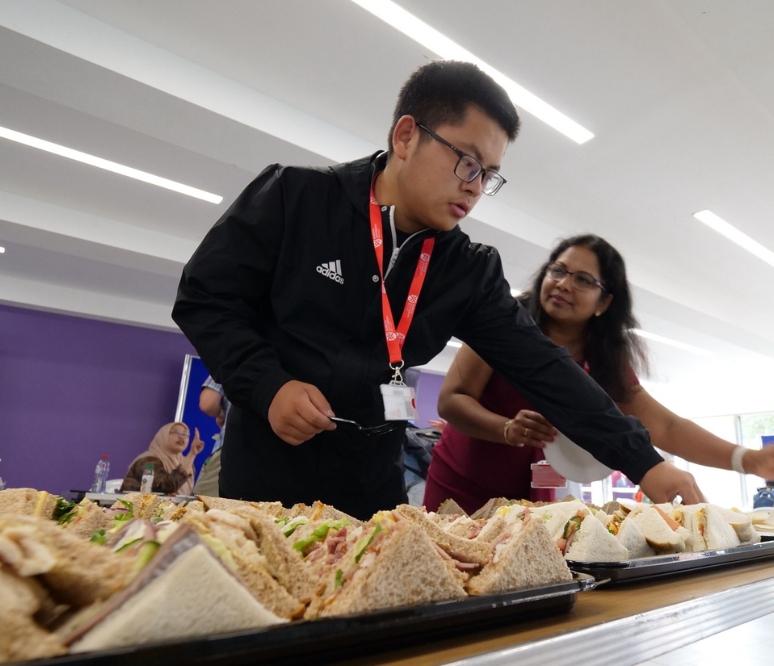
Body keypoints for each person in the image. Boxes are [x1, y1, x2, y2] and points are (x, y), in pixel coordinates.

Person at [172, 60, 697, 519]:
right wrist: (268, 386)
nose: (475, 186)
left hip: (373, 488)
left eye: (488, 174)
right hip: (266, 477)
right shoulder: (295, 199)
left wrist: (644, 462)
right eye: (467, 161)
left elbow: (545, 368)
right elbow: (204, 298)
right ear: (406, 136)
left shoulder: (466, 270)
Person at [423, 234, 774, 513]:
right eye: (558, 270)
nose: (563, 284)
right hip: (463, 484)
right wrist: (505, 428)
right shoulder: (506, 323)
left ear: (605, 301)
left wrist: (747, 460)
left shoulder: (603, 360)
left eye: (583, 279)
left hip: (532, 495)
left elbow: (666, 426)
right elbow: (452, 399)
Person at [120, 422, 204, 495]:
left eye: (185, 434)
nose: (181, 437)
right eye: (176, 432)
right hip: (136, 507)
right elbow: (165, 487)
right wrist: (192, 454)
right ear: (163, 436)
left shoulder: (186, 462)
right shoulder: (148, 460)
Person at [193, 375, 228, 496]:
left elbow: (208, 403)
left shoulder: (235, 363)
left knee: (204, 503)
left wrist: (222, 414)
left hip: (233, 449)